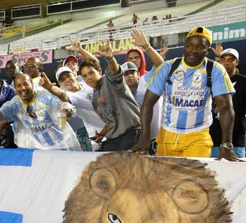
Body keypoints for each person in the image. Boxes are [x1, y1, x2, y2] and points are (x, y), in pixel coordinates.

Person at [131, 26, 240, 161]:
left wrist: (226, 143)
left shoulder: (215, 70)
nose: (193, 50)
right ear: (184, 46)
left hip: (198, 137)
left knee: (194, 179)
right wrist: (145, 137)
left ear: (207, 50)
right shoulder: (168, 67)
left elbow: (225, 108)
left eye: (200, 47)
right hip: (167, 136)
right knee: (167, 179)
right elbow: (148, 104)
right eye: (189, 46)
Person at [0, 73, 81, 151]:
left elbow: (61, 105)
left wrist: (67, 109)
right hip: (41, 151)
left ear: (32, 84)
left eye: (26, 84)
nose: (23, 88)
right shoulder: (14, 105)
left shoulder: (45, 96)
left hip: (64, 145)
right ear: (15, 89)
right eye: (19, 86)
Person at [78, 40, 141, 151]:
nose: (89, 77)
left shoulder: (109, 81)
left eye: (91, 73)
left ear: (99, 71)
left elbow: (115, 71)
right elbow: (110, 120)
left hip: (131, 134)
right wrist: (101, 134)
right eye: (85, 75)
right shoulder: (94, 98)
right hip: (114, 139)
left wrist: (110, 58)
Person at [209, 47, 246, 158]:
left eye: (231, 60)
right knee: (212, 172)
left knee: (238, 174)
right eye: (223, 59)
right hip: (213, 138)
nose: (226, 63)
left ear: (237, 62)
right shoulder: (211, 81)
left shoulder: (243, 81)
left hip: (236, 138)